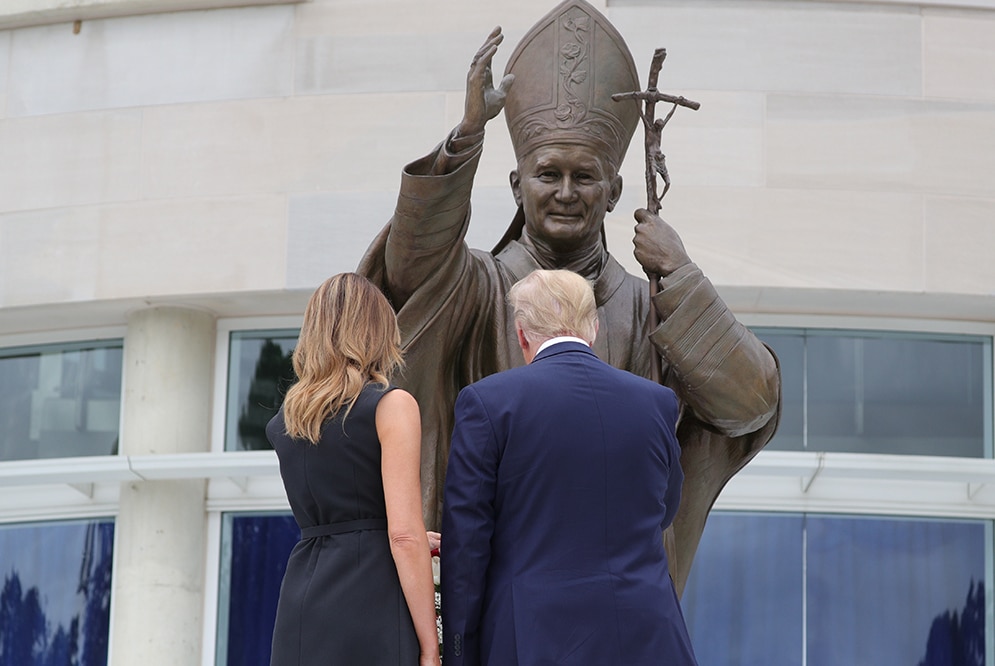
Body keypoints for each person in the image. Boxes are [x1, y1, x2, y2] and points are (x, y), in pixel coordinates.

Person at [358, 0, 780, 595]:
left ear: (612, 192)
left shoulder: (648, 305)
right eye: (547, 173)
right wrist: (466, 137)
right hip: (491, 591)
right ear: (516, 183)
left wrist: (680, 276)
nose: (564, 192)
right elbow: (408, 268)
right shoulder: (474, 286)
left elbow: (751, 404)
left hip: (615, 602)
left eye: (584, 177)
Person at [440, 269, 698, 665]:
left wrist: (459, 652)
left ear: (521, 333)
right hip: (648, 637)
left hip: (534, 638)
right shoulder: (655, 403)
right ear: (593, 328)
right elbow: (665, 505)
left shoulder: (488, 403)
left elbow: (467, 548)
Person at [265, 273, 440, 666]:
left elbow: (342, 514)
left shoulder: (284, 424)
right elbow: (404, 537)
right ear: (379, 332)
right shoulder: (391, 406)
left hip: (301, 604)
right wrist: (430, 647)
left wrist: (387, 530)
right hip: (372, 602)